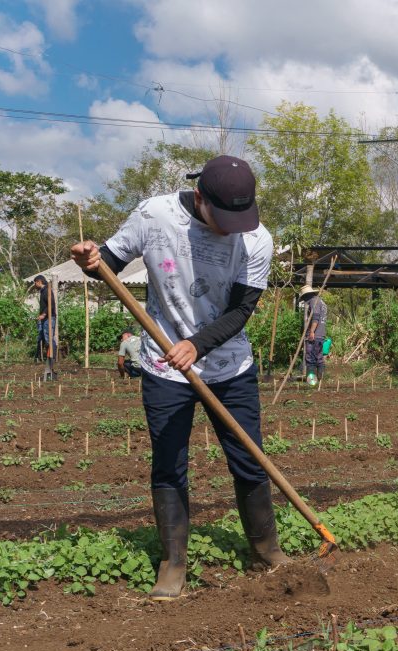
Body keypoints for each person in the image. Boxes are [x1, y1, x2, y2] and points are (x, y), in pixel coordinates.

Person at [70, 155, 288, 601]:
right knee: (170, 462)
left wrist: (198, 344)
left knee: (248, 460)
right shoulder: (155, 215)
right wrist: (89, 261)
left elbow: (242, 309)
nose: (233, 228)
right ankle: (173, 564)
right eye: (223, 217)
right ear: (200, 197)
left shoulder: (257, 240)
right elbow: (107, 262)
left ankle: (267, 551)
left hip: (230, 369)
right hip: (163, 366)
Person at [300, 284, 327, 383]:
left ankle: (311, 382)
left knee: (310, 357)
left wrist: (311, 332)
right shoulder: (321, 301)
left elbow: (315, 318)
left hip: (314, 335)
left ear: (307, 295)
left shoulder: (313, 301)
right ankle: (320, 380)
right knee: (319, 357)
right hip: (321, 334)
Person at [32, 275, 56, 373]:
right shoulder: (42, 291)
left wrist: (44, 314)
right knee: (42, 338)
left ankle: (52, 359)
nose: (35, 285)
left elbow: (51, 304)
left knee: (48, 338)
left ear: (39, 281)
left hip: (49, 318)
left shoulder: (47, 290)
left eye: (35, 282)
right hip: (44, 319)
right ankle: (44, 358)